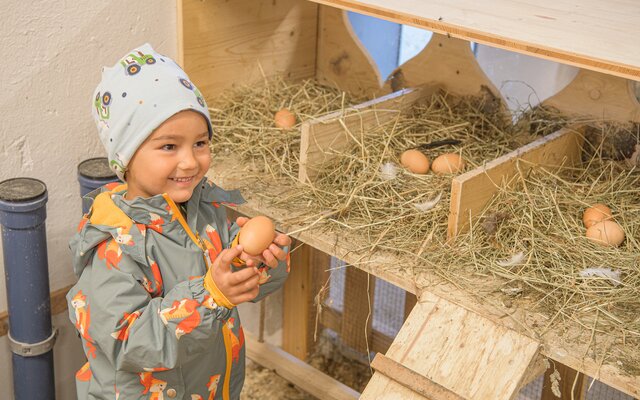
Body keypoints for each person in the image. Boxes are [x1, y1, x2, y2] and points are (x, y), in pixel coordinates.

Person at [67, 43, 291, 400]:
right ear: (126, 156)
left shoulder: (204, 211)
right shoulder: (114, 247)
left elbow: (236, 284)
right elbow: (129, 343)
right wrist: (211, 297)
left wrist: (257, 262)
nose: (190, 162)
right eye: (169, 147)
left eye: (200, 142)